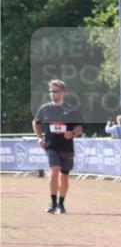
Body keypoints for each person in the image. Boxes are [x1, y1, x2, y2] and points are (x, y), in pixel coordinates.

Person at [33, 79, 82, 214]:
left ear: (63, 92)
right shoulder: (45, 108)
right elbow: (36, 123)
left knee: (64, 176)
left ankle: (61, 204)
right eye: (51, 91)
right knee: (54, 171)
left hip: (67, 147)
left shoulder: (71, 109)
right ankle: (53, 203)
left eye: (55, 91)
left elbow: (79, 127)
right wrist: (39, 137)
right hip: (51, 146)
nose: (52, 94)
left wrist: (72, 133)